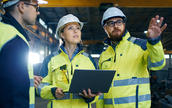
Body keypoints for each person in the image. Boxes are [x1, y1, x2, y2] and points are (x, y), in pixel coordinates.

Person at [97, 7, 167, 108]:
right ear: (105, 28)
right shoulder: (104, 55)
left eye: (119, 22)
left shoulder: (141, 45)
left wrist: (154, 42)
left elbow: (158, 64)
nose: (116, 26)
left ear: (124, 24)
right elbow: (101, 91)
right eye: (110, 23)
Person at [37, 14, 99, 108]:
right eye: (70, 28)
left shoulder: (89, 60)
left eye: (78, 28)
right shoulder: (50, 60)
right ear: (62, 34)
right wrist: (53, 91)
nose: (75, 31)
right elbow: (40, 87)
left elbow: (96, 89)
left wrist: (90, 97)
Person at [0, 0, 39, 107]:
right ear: (22, 6)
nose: (38, 12)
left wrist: (25, 77)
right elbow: (14, 95)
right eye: (36, 7)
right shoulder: (14, 39)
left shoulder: (3, 32)